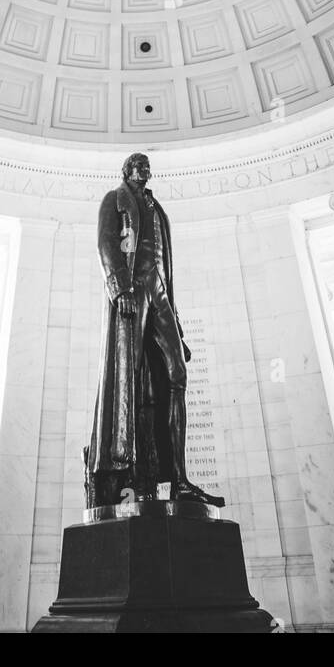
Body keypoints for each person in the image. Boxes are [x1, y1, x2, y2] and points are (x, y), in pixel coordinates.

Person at [85, 152, 225, 508]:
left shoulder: (158, 209)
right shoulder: (114, 199)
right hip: (134, 289)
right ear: (126, 170)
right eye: (138, 164)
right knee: (128, 378)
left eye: (147, 165)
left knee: (177, 373)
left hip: (160, 290)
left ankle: (179, 479)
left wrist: (177, 326)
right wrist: (120, 288)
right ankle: (126, 469)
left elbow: (166, 266)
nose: (144, 169)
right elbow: (105, 244)